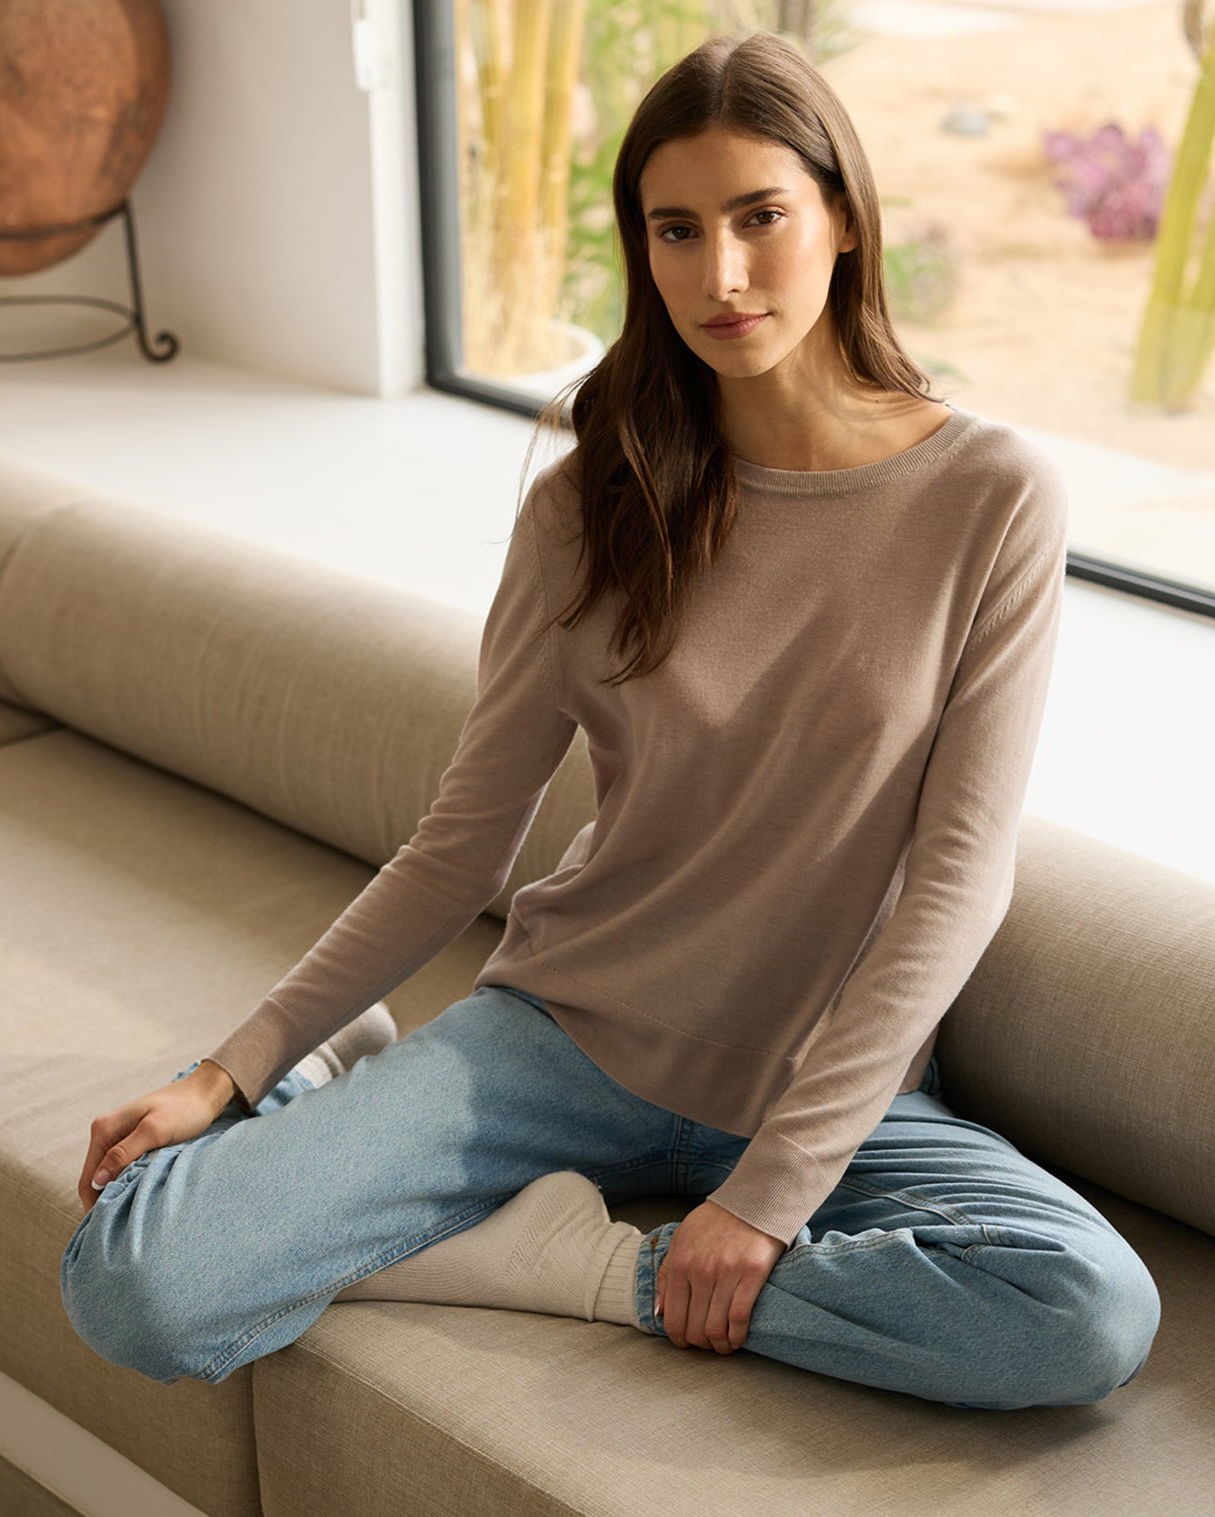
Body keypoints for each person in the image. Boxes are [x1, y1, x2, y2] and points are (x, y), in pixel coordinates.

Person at [60, 30, 1161, 1409]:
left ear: (843, 216)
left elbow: (956, 879)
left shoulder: (993, 496)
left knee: (1084, 1313)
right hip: (564, 1042)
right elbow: (463, 846)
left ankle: (588, 1271)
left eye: (761, 216)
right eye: (676, 231)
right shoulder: (589, 506)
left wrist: (767, 1201)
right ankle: (329, 1090)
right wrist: (230, 1070)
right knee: (134, 1280)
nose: (724, 275)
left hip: (831, 1094)